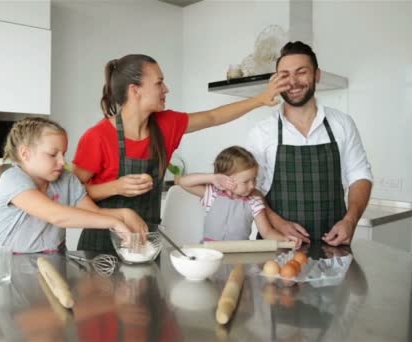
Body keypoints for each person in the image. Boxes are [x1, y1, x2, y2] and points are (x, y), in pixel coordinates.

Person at [73, 54, 290, 252]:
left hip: (147, 242)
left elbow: (213, 117)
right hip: (101, 244)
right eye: (159, 83)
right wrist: (115, 186)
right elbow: (71, 193)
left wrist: (260, 99)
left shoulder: (166, 125)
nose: (166, 89)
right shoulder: (97, 137)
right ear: (135, 90)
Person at [246, 41, 373, 246]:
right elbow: (250, 188)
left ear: (317, 75)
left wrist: (350, 220)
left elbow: (360, 175)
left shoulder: (342, 124)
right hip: (278, 245)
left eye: (301, 72)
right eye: (284, 75)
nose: (293, 82)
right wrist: (276, 222)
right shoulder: (262, 132)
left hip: (332, 247)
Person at [0, 117, 147, 253]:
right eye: (53, 154)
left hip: (52, 263)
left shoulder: (66, 180)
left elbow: (95, 213)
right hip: (5, 268)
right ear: (25, 154)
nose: (62, 162)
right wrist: (114, 222)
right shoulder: (12, 179)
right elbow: (56, 215)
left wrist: (125, 214)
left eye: (63, 154)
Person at [178, 145, 299, 246]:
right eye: (246, 181)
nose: (252, 185)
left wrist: (284, 239)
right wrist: (212, 178)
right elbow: (182, 182)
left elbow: (267, 232)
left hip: (240, 253)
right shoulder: (212, 194)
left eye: (254, 179)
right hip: (210, 254)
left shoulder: (254, 201)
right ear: (226, 180)